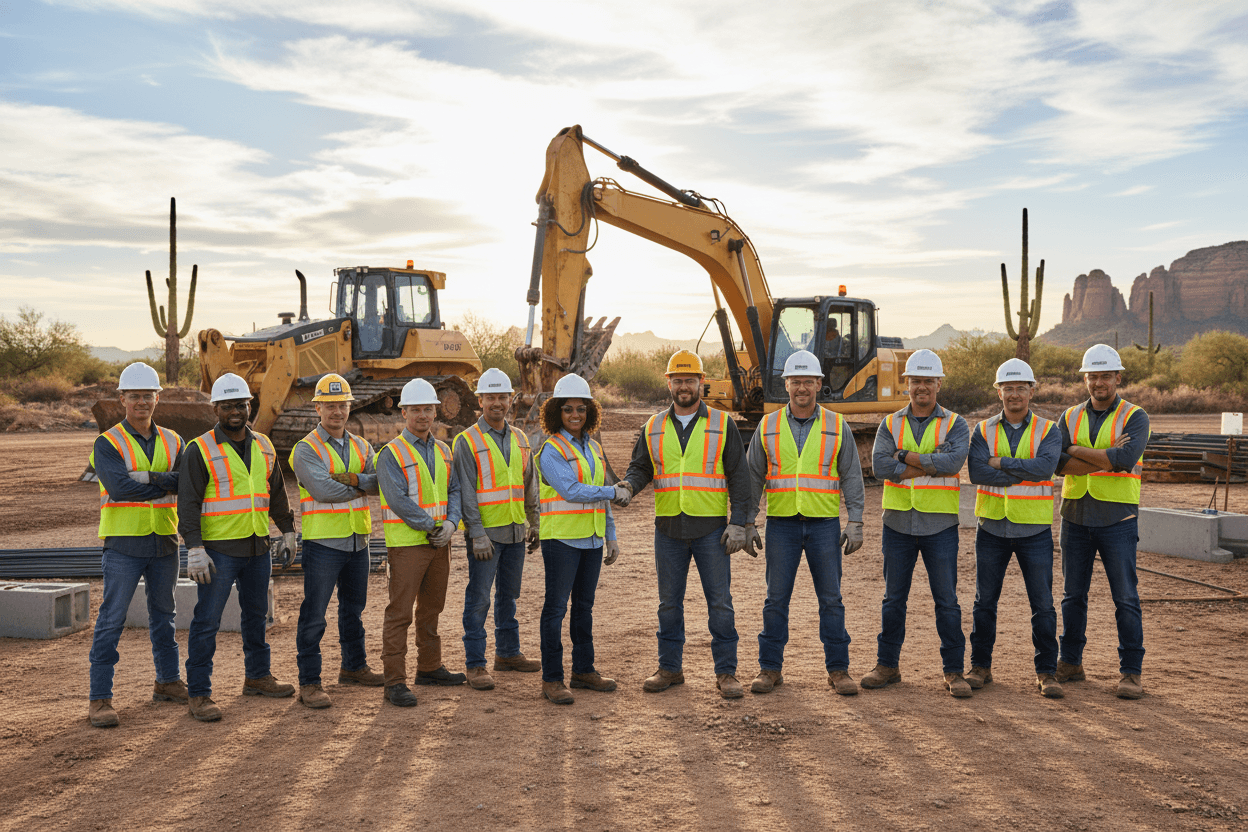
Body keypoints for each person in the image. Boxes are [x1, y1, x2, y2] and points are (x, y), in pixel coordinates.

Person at [616, 349, 754, 700]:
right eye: (677, 381)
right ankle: (669, 668)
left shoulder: (722, 424)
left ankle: (726, 673)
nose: (683, 387)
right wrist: (630, 485)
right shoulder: (654, 426)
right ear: (669, 383)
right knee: (668, 604)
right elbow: (642, 467)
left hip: (711, 530)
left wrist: (739, 523)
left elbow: (740, 477)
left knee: (720, 603)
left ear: (701, 383)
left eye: (689, 380)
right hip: (669, 530)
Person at [746, 350, 865, 696]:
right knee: (775, 599)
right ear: (786, 385)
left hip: (823, 525)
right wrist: (747, 521)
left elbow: (852, 475)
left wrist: (855, 520)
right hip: (781, 524)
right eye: (795, 381)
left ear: (818, 385)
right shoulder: (768, 426)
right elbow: (754, 477)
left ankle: (838, 670)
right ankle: (769, 669)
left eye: (807, 382)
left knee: (831, 599)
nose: (801, 388)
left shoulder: (835, 424)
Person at [180, 373, 297, 722]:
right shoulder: (199, 449)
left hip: (257, 546)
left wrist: (288, 531)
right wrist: (195, 549)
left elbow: (275, 492)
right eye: (228, 405)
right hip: (217, 552)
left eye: (241, 404)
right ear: (216, 408)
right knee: (207, 622)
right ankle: (199, 693)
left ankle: (258, 677)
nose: (236, 410)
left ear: (250, 406)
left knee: (256, 617)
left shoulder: (263, 445)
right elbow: (188, 502)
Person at [865, 349, 973, 697]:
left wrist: (903, 456)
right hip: (897, 524)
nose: (921, 387)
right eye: (916, 381)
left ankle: (954, 671)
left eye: (928, 381)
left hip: (940, 525)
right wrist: (930, 461)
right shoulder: (890, 423)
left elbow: (953, 463)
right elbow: (879, 467)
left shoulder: (955, 423)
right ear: (906, 383)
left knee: (947, 601)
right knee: (893, 600)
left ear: (938, 384)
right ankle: (887, 666)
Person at [87, 362, 185, 728]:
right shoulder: (107, 442)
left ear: (157, 397)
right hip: (124, 544)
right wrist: (166, 483)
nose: (142, 402)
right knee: (112, 620)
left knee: (165, 617)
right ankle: (100, 699)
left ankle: (168, 682)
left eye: (148, 395)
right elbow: (120, 488)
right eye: (135, 396)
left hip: (164, 539)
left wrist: (155, 480)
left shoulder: (175, 440)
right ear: (122, 399)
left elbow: (188, 482)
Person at [1055, 344, 1150, 700]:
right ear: (1085, 379)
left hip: (1118, 517)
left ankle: (1131, 673)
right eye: (1092, 376)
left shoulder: (1135, 416)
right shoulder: (1069, 416)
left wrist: (1076, 450)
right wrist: (1103, 457)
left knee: (1125, 597)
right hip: (1076, 516)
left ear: (1117, 378)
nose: (1099, 383)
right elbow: (1057, 463)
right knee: (1072, 596)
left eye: (1105, 376)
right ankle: (1071, 662)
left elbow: (1125, 459)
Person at [966, 358, 1064, 699]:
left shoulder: (1048, 430)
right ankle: (980, 667)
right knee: (984, 602)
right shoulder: (983, 429)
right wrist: (1021, 469)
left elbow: (1045, 469)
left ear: (1032, 391)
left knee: (1043, 604)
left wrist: (1002, 463)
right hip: (991, 527)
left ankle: (1047, 672)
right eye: (1008, 388)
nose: (1014, 395)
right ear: (999, 392)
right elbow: (977, 473)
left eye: (1021, 388)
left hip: (1033, 530)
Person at [288, 373, 384, 709]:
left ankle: (354, 667)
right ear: (317, 408)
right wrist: (362, 485)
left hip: (359, 541)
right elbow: (323, 490)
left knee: (353, 611)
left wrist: (357, 480)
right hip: (324, 543)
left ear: (349, 406)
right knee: (314, 614)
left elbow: (379, 482)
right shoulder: (305, 450)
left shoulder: (362, 445)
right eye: (329, 405)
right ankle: (310, 682)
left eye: (341, 405)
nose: (336, 412)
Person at [377, 378, 466, 707]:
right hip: (407, 545)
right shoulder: (391, 454)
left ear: (435, 411)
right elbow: (397, 499)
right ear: (403, 412)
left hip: (440, 543)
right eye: (415, 409)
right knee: (400, 613)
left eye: (428, 409)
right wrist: (432, 525)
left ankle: (429, 667)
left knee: (431, 609)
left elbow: (454, 490)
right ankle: (394, 682)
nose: (423, 415)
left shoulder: (444, 450)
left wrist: (452, 524)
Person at [453, 368, 542, 692]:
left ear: (510, 400)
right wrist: (476, 533)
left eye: (502, 397)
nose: (497, 403)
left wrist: (535, 522)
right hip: (486, 538)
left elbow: (529, 483)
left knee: (509, 596)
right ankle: (475, 664)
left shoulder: (519, 438)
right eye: (490, 397)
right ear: (480, 401)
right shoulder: (467, 441)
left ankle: (507, 653)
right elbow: (465, 491)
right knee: (479, 599)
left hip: (516, 532)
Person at [534, 373, 621, 704]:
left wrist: (610, 535)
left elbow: (599, 499)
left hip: (592, 540)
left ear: (590, 412)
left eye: (581, 409)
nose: (575, 415)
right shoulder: (551, 450)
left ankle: (584, 671)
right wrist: (613, 491)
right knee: (555, 609)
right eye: (568, 409)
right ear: (557, 411)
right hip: (562, 541)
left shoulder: (594, 448)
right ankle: (552, 678)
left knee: (584, 608)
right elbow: (570, 491)